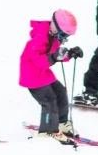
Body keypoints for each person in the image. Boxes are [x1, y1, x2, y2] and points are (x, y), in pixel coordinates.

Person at [20, 9, 83, 140]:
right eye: (63, 35)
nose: (64, 39)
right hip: (32, 76)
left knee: (60, 92)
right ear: (54, 27)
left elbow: (56, 54)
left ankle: (61, 123)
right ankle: (48, 131)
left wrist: (70, 54)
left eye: (66, 36)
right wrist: (54, 57)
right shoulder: (38, 39)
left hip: (43, 73)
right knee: (49, 101)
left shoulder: (53, 37)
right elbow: (39, 61)